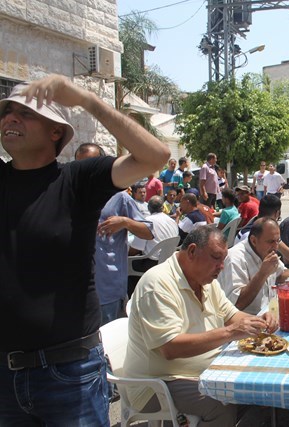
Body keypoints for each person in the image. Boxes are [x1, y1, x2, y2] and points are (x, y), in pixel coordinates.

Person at [0, 74, 169, 425]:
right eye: (7, 112)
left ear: (55, 133)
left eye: (25, 113)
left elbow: (156, 155)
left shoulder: (77, 180)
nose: (11, 118)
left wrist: (87, 101)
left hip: (68, 373)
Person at [124, 226, 277, 427]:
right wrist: (230, 332)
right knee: (220, 403)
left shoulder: (204, 279)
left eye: (223, 259)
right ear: (192, 251)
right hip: (158, 383)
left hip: (200, 371)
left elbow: (231, 315)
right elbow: (170, 347)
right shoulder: (158, 284)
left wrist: (258, 321)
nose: (221, 266)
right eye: (216, 258)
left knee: (257, 384)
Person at [75, 143, 154, 325]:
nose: (85, 171)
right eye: (80, 166)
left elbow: (148, 232)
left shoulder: (119, 197)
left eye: (91, 164)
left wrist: (124, 222)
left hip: (107, 289)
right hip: (75, 289)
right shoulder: (70, 193)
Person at [219, 218, 289, 314]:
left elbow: (280, 273)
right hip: (249, 321)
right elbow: (237, 304)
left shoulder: (267, 251)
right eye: (271, 242)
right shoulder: (235, 259)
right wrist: (262, 274)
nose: (275, 247)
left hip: (270, 313)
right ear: (254, 241)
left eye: (277, 241)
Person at [235, 194, 289, 270]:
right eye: (271, 242)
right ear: (277, 213)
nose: (275, 245)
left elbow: (286, 252)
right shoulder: (254, 235)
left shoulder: (260, 225)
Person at [128, 195, 180, 295]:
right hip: (169, 261)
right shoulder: (172, 221)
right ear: (162, 207)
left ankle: (133, 300)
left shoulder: (147, 222)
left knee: (128, 264)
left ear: (148, 208)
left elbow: (134, 250)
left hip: (152, 263)